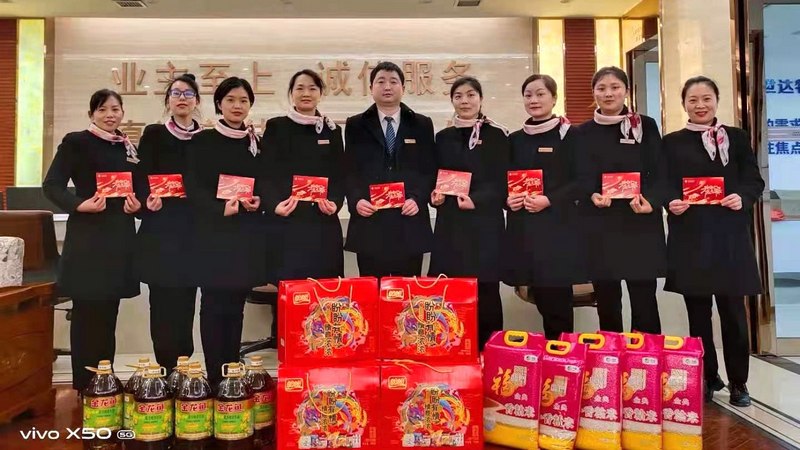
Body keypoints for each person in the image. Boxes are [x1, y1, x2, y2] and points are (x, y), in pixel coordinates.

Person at [663, 76, 764, 407]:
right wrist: (670, 201)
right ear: (684, 104)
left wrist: (742, 197)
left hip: (729, 239)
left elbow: (754, 180)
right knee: (698, 316)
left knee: (734, 314)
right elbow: (663, 183)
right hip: (691, 239)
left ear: (717, 101)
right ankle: (707, 377)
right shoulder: (671, 142)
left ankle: (739, 382)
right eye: (693, 100)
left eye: (706, 98)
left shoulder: (736, 137)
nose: (700, 105)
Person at [43, 89, 141, 392]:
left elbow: (139, 190)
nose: (110, 115)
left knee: (109, 313)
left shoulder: (128, 147)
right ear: (91, 114)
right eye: (102, 110)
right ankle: (85, 384)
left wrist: (137, 206)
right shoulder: (76, 142)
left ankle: (105, 381)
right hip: (87, 238)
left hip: (119, 237)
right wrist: (79, 204)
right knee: (87, 314)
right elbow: (52, 186)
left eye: (115, 109)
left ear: (122, 113)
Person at [184, 77, 266, 387]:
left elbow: (265, 182)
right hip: (212, 235)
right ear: (219, 103)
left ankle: (231, 373)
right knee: (213, 305)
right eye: (231, 100)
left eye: (243, 101)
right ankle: (214, 373)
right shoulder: (202, 141)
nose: (237, 106)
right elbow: (193, 187)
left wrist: (259, 200)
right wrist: (220, 209)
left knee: (235, 306)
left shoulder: (254, 142)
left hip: (245, 236)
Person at [575, 66, 666, 334]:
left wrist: (651, 200)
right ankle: (611, 356)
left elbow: (660, 170)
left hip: (639, 223)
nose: (608, 93)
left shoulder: (645, 126)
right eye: (601, 88)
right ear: (594, 93)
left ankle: (645, 356)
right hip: (600, 225)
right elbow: (578, 175)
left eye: (615, 87)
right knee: (607, 300)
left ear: (626, 91)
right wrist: (591, 194)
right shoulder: (583, 132)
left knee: (644, 299)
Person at [502, 74, 585, 340]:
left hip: (558, 232)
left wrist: (549, 199)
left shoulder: (570, 136)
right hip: (525, 232)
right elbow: (503, 180)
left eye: (540, 94)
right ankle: (548, 358)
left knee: (558, 304)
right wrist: (508, 200)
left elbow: (582, 181)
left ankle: (562, 356)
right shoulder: (514, 139)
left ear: (554, 98)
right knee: (538, 298)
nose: (534, 100)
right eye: (528, 95)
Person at [429, 76, 509, 348]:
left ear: (481, 99)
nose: (465, 101)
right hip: (451, 225)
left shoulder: (497, 136)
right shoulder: (443, 137)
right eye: (458, 96)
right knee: (450, 290)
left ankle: (490, 351)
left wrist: (477, 199)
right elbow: (434, 176)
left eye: (471, 95)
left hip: (485, 225)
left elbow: (503, 182)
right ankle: (453, 350)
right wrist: (434, 196)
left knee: (487, 291)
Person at [134, 74, 202, 371]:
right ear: (168, 101)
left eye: (188, 93)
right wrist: (147, 199)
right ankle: (164, 368)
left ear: (197, 101)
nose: (182, 98)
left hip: (194, 233)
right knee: (162, 303)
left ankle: (183, 368)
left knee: (187, 301)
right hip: (160, 232)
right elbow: (140, 177)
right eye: (176, 93)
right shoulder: (154, 134)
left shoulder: (205, 139)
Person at [343, 61, 436, 279]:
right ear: (371, 88)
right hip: (370, 221)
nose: (387, 87)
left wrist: (417, 198)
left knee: (408, 291)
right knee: (372, 288)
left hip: (409, 219)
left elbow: (429, 169)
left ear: (403, 87)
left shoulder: (421, 124)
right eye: (381, 81)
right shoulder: (356, 124)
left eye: (393, 81)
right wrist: (356, 200)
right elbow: (349, 169)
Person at [260, 69, 345, 283]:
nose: (306, 93)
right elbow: (265, 173)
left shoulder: (331, 130)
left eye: (312, 88)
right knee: (289, 290)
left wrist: (335, 203)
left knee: (325, 290)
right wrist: (274, 205)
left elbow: (340, 174)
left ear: (320, 94)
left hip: (322, 223)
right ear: (291, 93)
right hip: (287, 221)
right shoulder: (277, 126)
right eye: (300, 88)